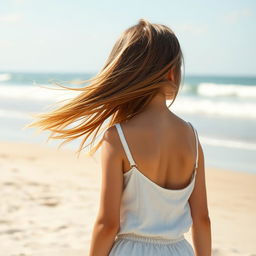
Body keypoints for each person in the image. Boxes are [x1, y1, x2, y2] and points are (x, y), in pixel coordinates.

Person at [26, 18, 211, 255]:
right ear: (172, 73)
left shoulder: (118, 137)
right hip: (178, 249)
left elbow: (107, 224)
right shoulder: (191, 137)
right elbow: (202, 219)